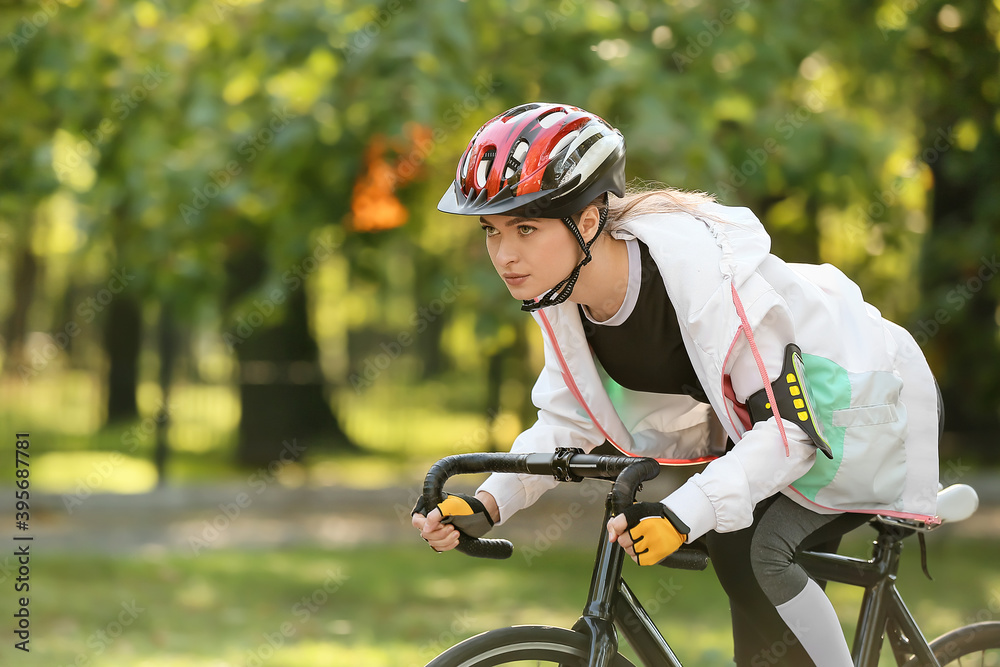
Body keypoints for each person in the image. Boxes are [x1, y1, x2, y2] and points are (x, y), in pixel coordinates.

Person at [411, 102, 941, 666]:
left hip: (860, 410)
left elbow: (791, 431)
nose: (504, 255)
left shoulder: (707, 281)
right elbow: (568, 422)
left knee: (752, 549)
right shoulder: (561, 293)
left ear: (588, 221)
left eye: (525, 228)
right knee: (748, 593)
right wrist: (489, 502)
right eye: (492, 231)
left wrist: (680, 515)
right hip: (776, 433)